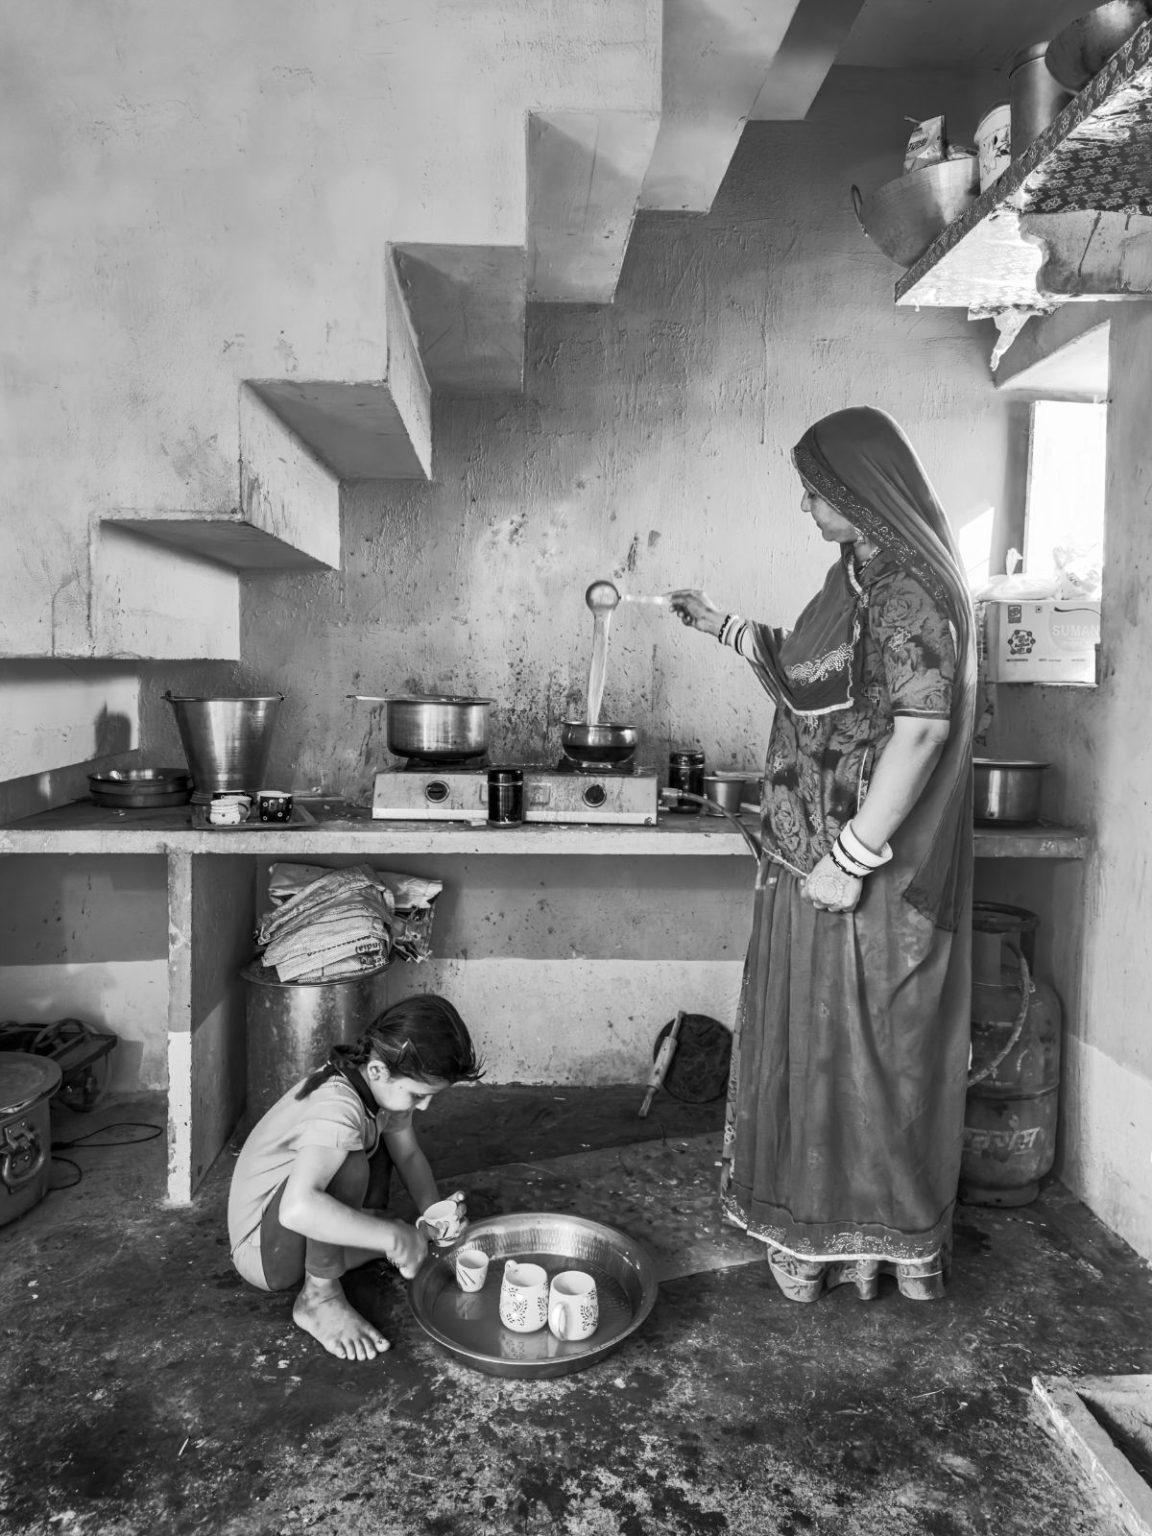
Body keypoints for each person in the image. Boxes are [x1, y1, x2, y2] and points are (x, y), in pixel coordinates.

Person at [669, 406, 976, 1304]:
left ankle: (838, 1241)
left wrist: (850, 853)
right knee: (836, 1044)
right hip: (823, 858)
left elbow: (921, 734)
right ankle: (872, 1248)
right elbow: (812, 673)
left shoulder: (909, 587)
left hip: (869, 873)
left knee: (866, 1050)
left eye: (817, 490)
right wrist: (716, 622)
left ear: (858, 491)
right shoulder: (864, 575)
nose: (805, 504)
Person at [228, 993, 484, 1359]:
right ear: (379, 1070)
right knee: (350, 1160)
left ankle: (362, 1242)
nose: (424, 1105)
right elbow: (297, 1209)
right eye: (417, 1095)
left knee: (381, 1155)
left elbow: (408, 1154)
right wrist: (395, 1237)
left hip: (295, 1233)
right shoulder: (337, 1105)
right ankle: (319, 1296)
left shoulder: (379, 1084)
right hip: (264, 1252)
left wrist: (434, 1215)